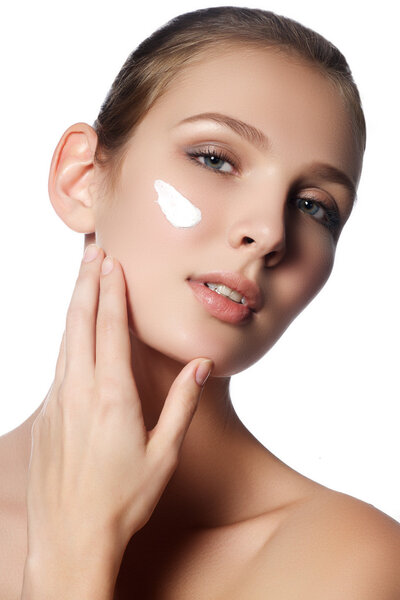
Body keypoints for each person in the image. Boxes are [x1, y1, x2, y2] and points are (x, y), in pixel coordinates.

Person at [0, 5, 399, 599]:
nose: (269, 231)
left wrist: (72, 559)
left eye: (314, 205)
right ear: (81, 177)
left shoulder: (348, 563)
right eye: (215, 158)